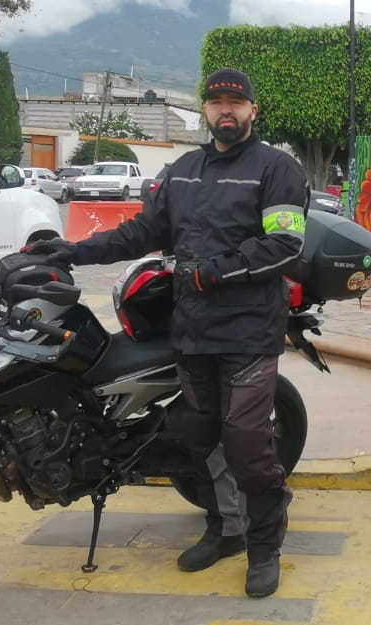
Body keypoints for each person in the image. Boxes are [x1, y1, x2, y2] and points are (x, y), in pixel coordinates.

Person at [26, 68, 309, 597]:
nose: (227, 110)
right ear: (205, 110)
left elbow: (284, 246)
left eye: (237, 102)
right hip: (193, 331)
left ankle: (265, 544)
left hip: (248, 332)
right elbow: (142, 233)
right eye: (217, 102)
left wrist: (212, 271)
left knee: (248, 443)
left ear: (253, 110)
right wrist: (73, 251)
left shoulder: (278, 169)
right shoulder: (183, 170)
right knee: (197, 440)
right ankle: (226, 529)